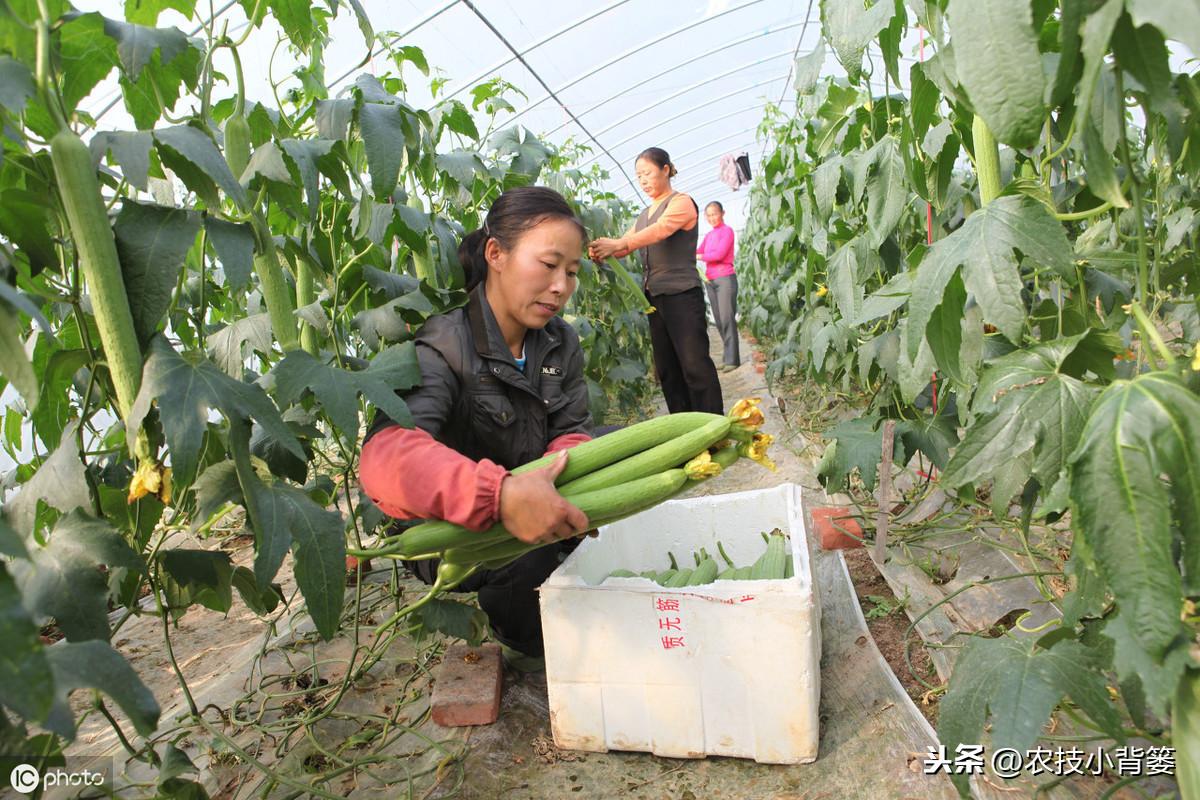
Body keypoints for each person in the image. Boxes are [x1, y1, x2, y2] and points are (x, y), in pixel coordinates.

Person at [358, 186, 593, 669]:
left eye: (571, 272)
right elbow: (386, 455)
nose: (561, 286)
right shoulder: (442, 344)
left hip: (537, 506)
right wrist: (500, 494)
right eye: (548, 265)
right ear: (496, 254)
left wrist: (562, 475)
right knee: (535, 587)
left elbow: (573, 425)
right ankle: (513, 624)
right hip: (461, 533)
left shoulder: (559, 341)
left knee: (614, 457)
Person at [587, 147, 723, 415]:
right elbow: (625, 245)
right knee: (668, 370)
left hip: (682, 294)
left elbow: (660, 230)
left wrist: (620, 243)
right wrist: (604, 249)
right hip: (655, 299)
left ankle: (713, 425)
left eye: (647, 173)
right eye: (639, 177)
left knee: (694, 365)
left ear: (665, 169)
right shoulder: (644, 215)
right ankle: (684, 430)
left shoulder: (681, 202)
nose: (644, 180)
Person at [696, 201, 740, 371]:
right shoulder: (708, 236)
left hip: (725, 278)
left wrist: (699, 257)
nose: (712, 217)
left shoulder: (727, 231)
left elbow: (719, 254)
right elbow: (698, 251)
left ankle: (732, 360)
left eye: (715, 213)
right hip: (711, 281)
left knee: (727, 318)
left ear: (722, 213)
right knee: (720, 320)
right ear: (706, 217)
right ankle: (727, 356)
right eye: (709, 215)